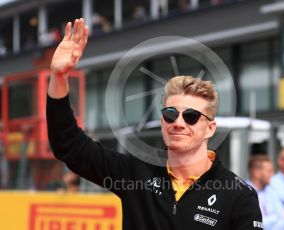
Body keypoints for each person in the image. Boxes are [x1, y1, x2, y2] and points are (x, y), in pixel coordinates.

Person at [47, 18, 262, 230]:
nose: (178, 123)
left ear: (210, 128)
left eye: (191, 116)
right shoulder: (135, 174)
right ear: (162, 122)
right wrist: (59, 76)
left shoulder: (239, 196)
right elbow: (68, 144)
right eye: (170, 114)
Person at [247, 155, 284, 229]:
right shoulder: (244, 193)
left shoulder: (270, 191)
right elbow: (254, 223)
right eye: (269, 171)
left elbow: (282, 216)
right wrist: (274, 218)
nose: (272, 174)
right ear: (256, 172)